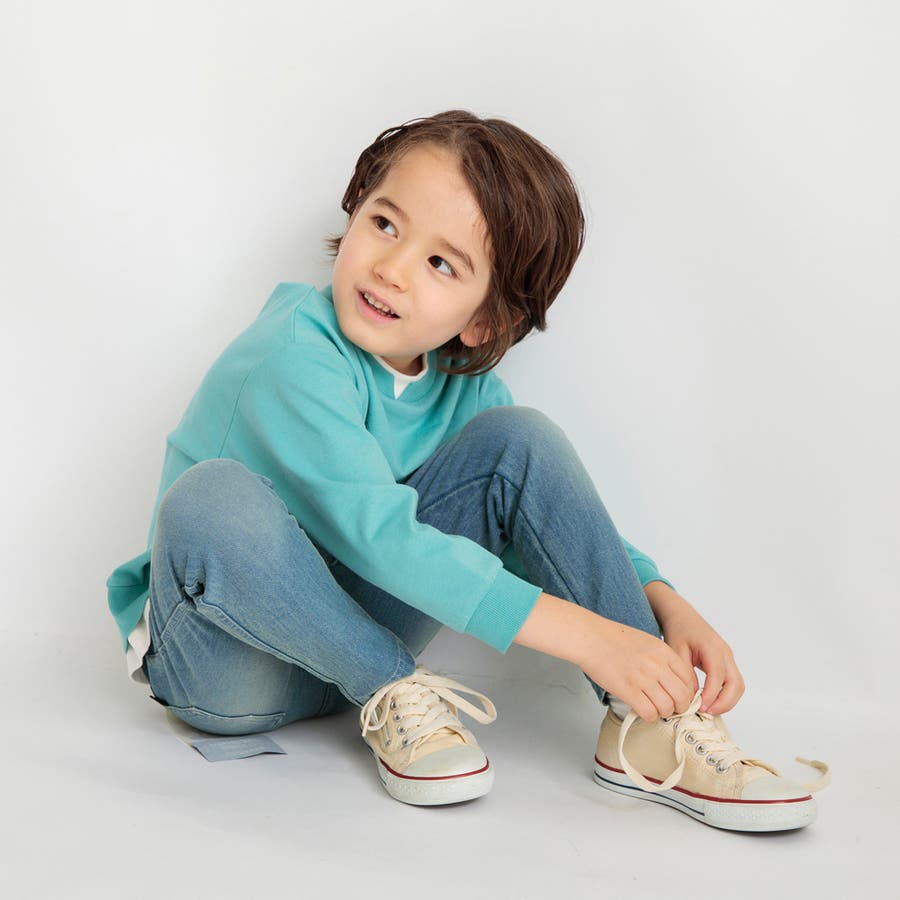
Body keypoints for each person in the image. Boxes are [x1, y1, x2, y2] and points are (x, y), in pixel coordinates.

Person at [106, 110, 828, 831]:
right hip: (227, 667)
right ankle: (394, 684)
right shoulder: (294, 354)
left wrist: (662, 603)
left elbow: (548, 522)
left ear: (484, 322)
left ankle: (651, 722)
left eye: (441, 264)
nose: (391, 268)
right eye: (384, 224)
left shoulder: (462, 388)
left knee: (521, 441)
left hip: (350, 659)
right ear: (354, 215)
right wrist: (592, 640)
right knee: (211, 499)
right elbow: (381, 537)